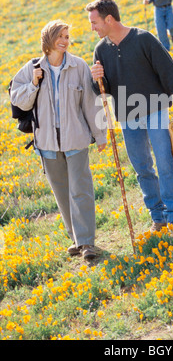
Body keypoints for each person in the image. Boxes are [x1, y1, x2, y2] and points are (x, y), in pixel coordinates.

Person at [86, 0, 173, 233]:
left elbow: (168, 71)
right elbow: (103, 90)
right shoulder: (100, 50)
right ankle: (158, 216)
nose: (92, 27)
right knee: (142, 168)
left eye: (94, 22)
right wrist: (97, 79)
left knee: (165, 162)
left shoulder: (143, 38)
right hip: (127, 116)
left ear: (109, 19)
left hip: (155, 109)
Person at [10, 20, 107, 261]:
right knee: (62, 194)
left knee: (81, 190)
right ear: (49, 40)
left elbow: (90, 103)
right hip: (46, 144)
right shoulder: (32, 68)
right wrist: (33, 83)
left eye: (67, 36)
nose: (65, 41)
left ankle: (86, 242)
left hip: (76, 140)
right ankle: (75, 238)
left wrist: (100, 134)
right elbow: (18, 100)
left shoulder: (78, 66)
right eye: (60, 36)